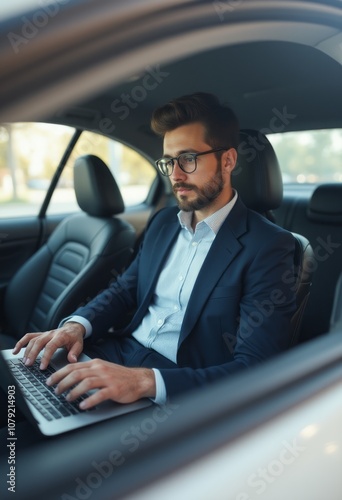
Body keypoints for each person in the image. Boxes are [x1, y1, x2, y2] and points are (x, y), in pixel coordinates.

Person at [11, 92, 296, 410]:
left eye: (188, 159)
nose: (175, 175)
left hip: (176, 386)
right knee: (17, 387)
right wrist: (77, 326)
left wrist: (144, 382)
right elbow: (124, 290)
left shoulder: (269, 247)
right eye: (168, 162)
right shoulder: (163, 222)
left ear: (227, 160)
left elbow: (255, 370)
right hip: (114, 354)